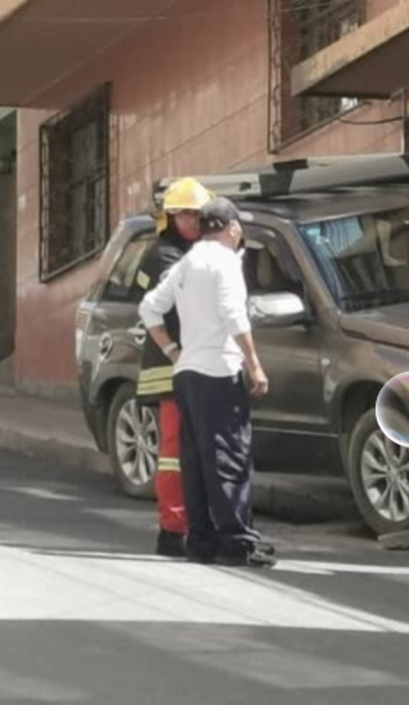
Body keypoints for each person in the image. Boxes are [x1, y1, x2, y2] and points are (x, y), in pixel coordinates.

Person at [139, 196, 274, 568]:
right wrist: (254, 365)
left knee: (196, 461)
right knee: (229, 458)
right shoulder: (225, 262)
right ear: (233, 228)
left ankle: (201, 542)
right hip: (218, 371)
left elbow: (149, 308)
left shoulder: (188, 261)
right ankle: (237, 543)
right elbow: (233, 314)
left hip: (187, 374)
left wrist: (173, 352)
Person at [129, 176, 212, 558]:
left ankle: (195, 525)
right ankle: (172, 530)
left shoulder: (193, 252)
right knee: (174, 453)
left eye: (198, 215)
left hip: (195, 365)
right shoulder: (164, 255)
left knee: (194, 452)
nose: (193, 221)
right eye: (185, 215)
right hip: (171, 368)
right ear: (170, 218)